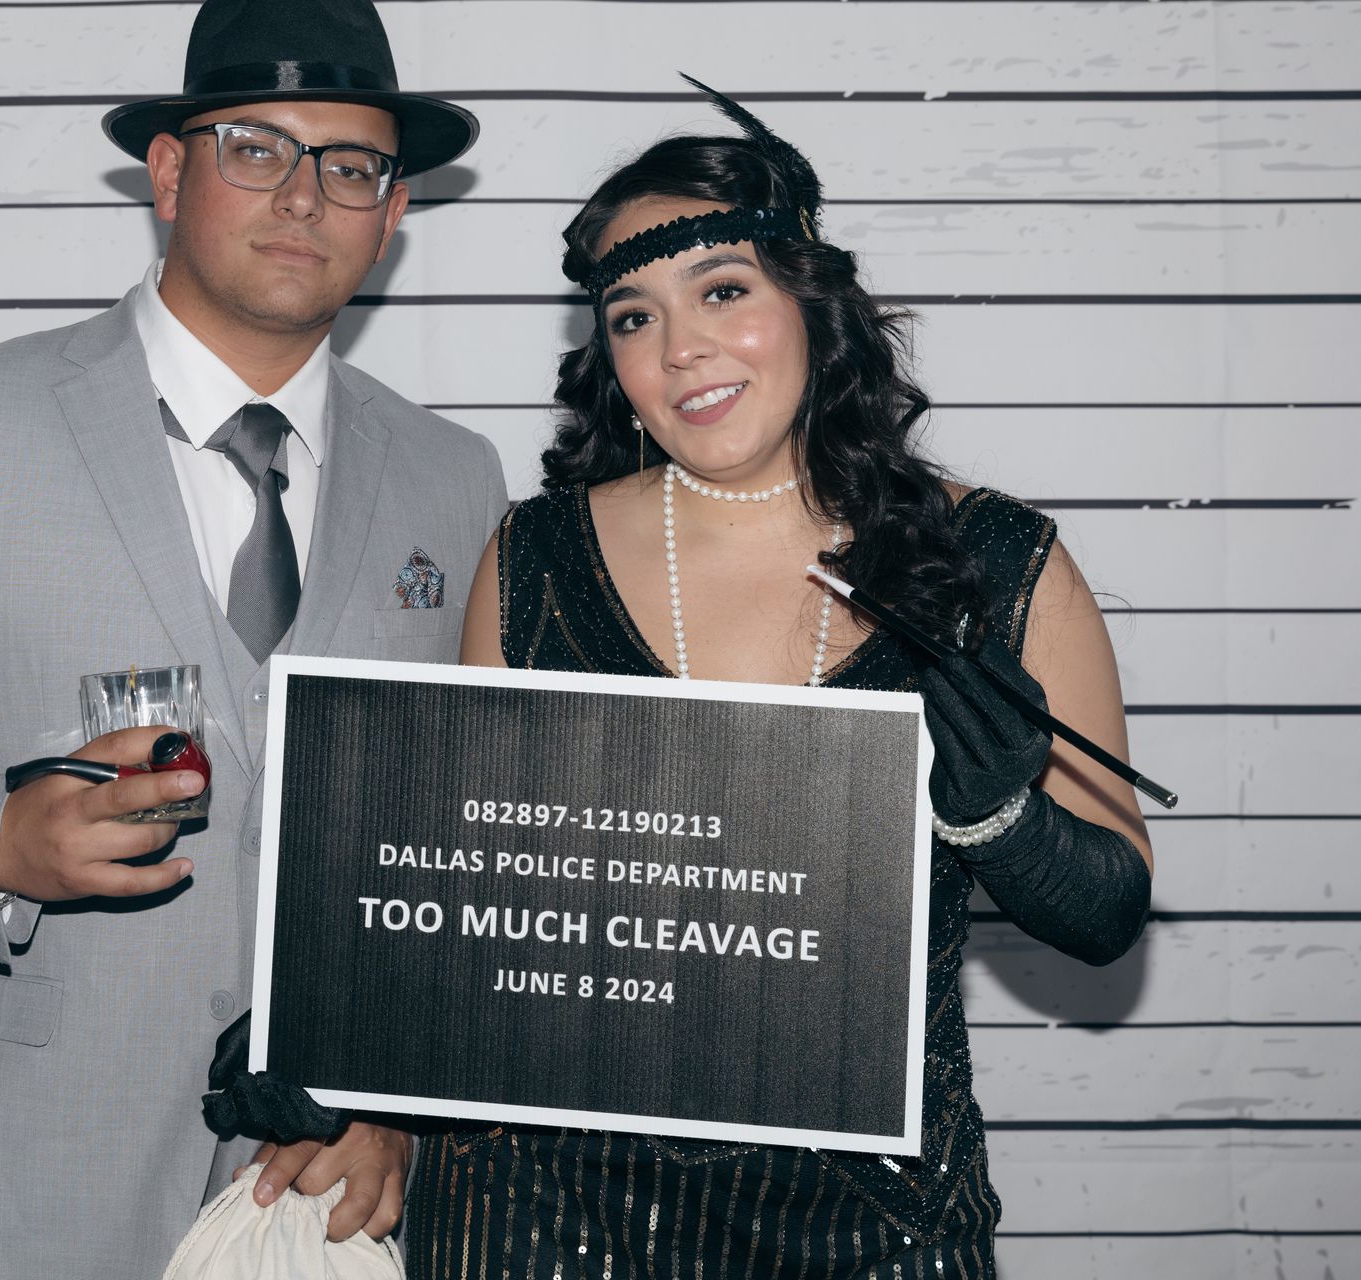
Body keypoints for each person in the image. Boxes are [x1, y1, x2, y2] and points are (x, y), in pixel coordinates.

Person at [0, 1, 507, 1275]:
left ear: (393, 209)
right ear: (170, 172)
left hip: (319, 1214)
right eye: (257, 147)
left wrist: (401, 1097)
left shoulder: (454, 477)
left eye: (351, 164)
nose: (303, 195)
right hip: (5, 1202)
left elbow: (472, 843)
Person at [407, 81, 1154, 1279]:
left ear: (811, 299)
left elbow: (1109, 915)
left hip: (868, 1217)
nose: (681, 347)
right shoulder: (535, 556)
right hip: (544, 1207)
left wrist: (1001, 820)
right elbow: (464, 905)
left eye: (722, 291)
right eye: (634, 316)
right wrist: (331, 1028)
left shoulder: (994, 558)